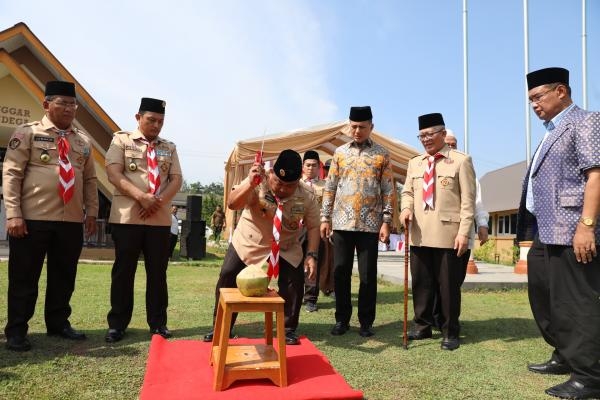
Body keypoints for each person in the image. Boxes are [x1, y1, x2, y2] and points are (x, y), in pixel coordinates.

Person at [516, 67, 600, 399]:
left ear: (561, 91)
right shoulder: (552, 130)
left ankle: (590, 377)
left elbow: (595, 176)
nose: (534, 105)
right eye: (530, 100)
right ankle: (565, 354)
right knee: (544, 296)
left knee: (575, 302)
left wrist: (587, 226)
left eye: (538, 97)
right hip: (546, 230)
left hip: (572, 229)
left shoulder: (586, 121)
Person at [3, 80, 98, 351]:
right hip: (32, 218)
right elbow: (11, 173)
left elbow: (90, 180)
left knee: (64, 275)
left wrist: (91, 211)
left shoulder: (83, 142)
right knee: (24, 276)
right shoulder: (27, 133)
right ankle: (17, 330)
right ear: (46, 104)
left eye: (73, 104)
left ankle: (58, 324)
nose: (69, 108)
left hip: (70, 221)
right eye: (62, 103)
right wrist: (13, 214)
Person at [202, 149, 320, 345]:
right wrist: (249, 183)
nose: (282, 189)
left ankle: (288, 329)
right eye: (278, 183)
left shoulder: (306, 195)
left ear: (298, 180)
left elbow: (314, 226)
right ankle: (221, 327)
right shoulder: (258, 180)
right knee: (228, 277)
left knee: (294, 285)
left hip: (286, 245)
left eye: (289, 185)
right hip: (249, 240)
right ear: (271, 172)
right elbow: (232, 204)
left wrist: (312, 255)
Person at [104, 97, 183, 343]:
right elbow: (113, 172)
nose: (156, 125)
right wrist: (141, 197)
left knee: (158, 273)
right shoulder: (121, 140)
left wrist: (156, 201)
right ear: (138, 117)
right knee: (123, 272)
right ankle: (117, 324)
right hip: (128, 217)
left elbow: (176, 179)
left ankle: (158, 323)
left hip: (159, 220)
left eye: (161, 121)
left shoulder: (168, 147)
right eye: (151, 120)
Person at [400, 113, 475, 351]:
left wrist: (464, 233)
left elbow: (468, 201)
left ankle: (450, 330)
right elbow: (408, 193)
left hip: (449, 234)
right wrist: (405, 209)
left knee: (448, 286)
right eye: (421, 135)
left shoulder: (461, 161)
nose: (425, 139)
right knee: (421, 283)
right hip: (420, 233)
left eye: (430, 134)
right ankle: (422, 326)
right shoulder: (415, 162)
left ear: (443, 134)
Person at [321, 106, 394, 338]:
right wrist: (325, 217)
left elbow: (389, 191)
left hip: (370, 224)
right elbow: (330, 186)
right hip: (341, 222)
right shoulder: (339, 153)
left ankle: (366, 322)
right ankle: (342, 319)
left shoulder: (382, 154)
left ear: (371, 127)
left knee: (367, 275)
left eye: (362, 127)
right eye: (353, 126)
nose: (357, 131)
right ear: (348, 126)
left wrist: (386, 221)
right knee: (340, 272)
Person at [431, 129, 489, 330]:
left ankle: (448, 320)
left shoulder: (464, 166)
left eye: (454, 143)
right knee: (432, 281)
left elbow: (477, 201)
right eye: (449, 143)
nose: (452, 146)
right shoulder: (428, 168)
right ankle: (434, 317)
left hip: (460, 235)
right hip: (433, 236)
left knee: (452, 281)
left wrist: (482, 224)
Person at [300, 150, 327, 312]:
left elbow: (328, 208)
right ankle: (294, 294)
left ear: (319, 167)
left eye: (314, 165)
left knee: (314, 262)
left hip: (316, 230)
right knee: (294, 262)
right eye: (308, 165)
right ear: (303, 167)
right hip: (296, 229)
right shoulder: (296, 184)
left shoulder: (325, 186)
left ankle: (311, 298)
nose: (311, 168)